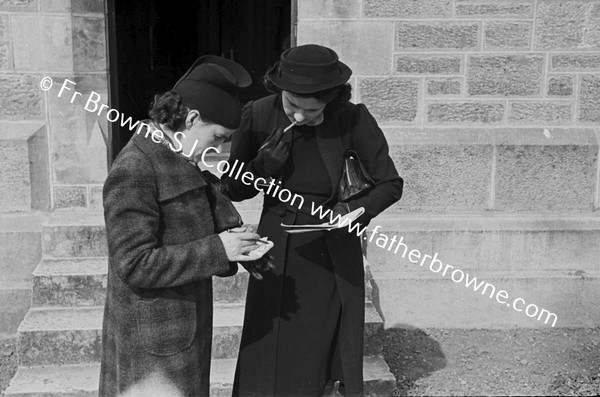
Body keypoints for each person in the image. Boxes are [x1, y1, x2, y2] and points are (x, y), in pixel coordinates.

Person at [224, 44, 404, 396]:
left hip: (332, 247)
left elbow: (390, 185)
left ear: (332, 100)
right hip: (275, 244)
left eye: (313, 110)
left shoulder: (352, 119)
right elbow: (232, 189)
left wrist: (356, 212)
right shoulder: (258, 114)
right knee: (270, 346)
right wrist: (261, 169)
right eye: (292, 107)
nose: (300, 118)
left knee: (319, 347)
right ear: (280, 91)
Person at [99, 56, 267, 397]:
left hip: (178, 330)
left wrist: (235, 239)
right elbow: (134, 263)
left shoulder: (177, 155)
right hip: (151, 345)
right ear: (191, 119)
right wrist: (220, 249)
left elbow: (192, 223)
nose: (219, 149)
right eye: (218, 137)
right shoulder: (135, 168)